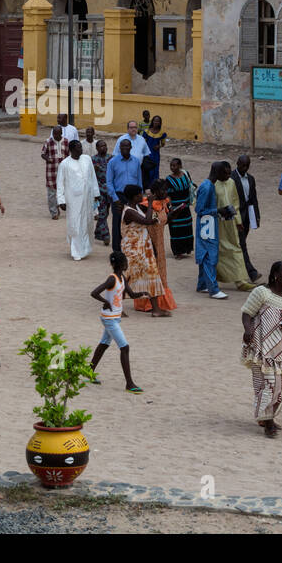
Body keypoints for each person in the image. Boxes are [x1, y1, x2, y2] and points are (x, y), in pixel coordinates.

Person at [241, 261, 282, 439]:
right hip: (260, 346)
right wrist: (247, 329)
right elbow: (247, 313)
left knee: (278, 385)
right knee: (266, 384)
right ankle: (268, 423)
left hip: (281, 349)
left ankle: (267, 418)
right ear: (276, 275)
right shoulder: (262, 292)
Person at [89, 252, 143, 393]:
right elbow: (94, 293)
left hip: (114, 317)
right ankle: (129, 383)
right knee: (124, 347)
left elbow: (131, 295)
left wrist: (143, 293)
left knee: (104, 344)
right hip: (109, 319)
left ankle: (88, 371)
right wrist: (105, 301)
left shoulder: (122, 278)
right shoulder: (112, 279)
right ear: (123, 264)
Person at [133, 179, 177, 315]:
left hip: (160, 244)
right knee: (151, 274)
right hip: (149, 244)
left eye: (166, 190)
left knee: (160, 273)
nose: (165, 192)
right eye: (162, 190)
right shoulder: (145, 206)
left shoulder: (164, 204)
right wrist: (151, 204)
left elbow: (162, 222)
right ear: (154, 191)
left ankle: (158, 303)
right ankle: (149, 304)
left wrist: (173, 215)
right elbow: (146, 223)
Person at [214, 162, 255, 291]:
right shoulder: (212, 185)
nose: (228, 175)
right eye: (225, 173)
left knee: (236, 248)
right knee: (219, 251)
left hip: (230, 223)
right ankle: (213, 278)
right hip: (217, 224)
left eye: (229, 173)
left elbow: (235, 202)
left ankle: (241, 280)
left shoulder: (231, 183)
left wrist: (238, 221)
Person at [56, 140, 98, 261]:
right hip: (73, 199)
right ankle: (76, 251)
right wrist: (61, 200)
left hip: (87, 198)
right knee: (75, 224)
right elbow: (60, 183)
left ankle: (85, 248)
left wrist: (96, 193)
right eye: (78, 148)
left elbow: (92, 177)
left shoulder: (87, 159)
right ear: (72, 150)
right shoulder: (64, 164)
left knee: (87, 222)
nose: (81, 149)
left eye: (81, 147)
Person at [195, 162, 229, 300]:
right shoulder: (207, 187)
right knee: (210, 256)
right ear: (217, 172)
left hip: (209, 224)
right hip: (206, 226)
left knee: (205, 255)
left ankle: (202, 284)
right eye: (225, 173)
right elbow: (199, 210)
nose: (227, 176)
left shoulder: (209, 185)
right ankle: (213, 289)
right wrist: (218, 211)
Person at [105, 138, 142, 253]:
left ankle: (130, 248)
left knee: (133, 223)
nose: (125, 148)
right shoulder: (112, 162)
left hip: (133, 197)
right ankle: (117, 251)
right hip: (119, 196)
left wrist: (139, 197)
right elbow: (109, 182)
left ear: (131, 148)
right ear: (119, 148)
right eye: (123, 146)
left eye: (127, 146)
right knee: (117, 223)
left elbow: (139, 180)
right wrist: (115, 199)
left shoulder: (136, 161)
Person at [231, 155, 261, 281]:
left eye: (247, 165)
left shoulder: (251, 179)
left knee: (238, 244)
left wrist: (257, 216)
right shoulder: (231, 178)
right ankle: (251, 272)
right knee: (241, 244)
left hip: (248, 216)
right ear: (237, 163)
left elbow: (254, 198)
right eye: (242, 165)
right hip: (236, 217)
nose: (245, 168)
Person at [166, 158, 196, 259]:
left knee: (186, 227)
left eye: (175, 165)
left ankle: (186, 248)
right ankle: (177, 252)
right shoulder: (168, 179)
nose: (172, 168)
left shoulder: (186, 174)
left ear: (180, 166)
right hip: (176, 208)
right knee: (176, 229)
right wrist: (170, 207)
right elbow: (168, 194)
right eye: (171, 166)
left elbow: (190, 186)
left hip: (185, 206)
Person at [41, 126, 65, 220]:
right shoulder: (48, 141)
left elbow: (68, 154)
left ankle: (59, 206)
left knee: (63, 190)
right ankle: (54, 212)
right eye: (54, 133)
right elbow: (43, 153)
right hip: (51, 171)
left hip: (63, 171)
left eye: (57, 133)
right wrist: (48, 159)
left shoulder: (66, 141)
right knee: (51, 192)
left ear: (61, 133)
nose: (55, 135)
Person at [91, 140, 112, 246]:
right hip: (99, 190)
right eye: (101, 146)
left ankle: (98, 232)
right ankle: (106, 235)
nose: (104, 147)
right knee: (102, 213)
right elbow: (90, 175)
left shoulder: (111, 158)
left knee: (106, 213)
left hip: (110, 189)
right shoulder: (93, 160)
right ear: (97, 148)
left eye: (105, 145)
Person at [141, 116, 166, 187]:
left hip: (156, 154)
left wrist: (159, 146)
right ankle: (147, 185)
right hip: (147, 153)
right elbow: (142, 143)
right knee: (148, 169)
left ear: (160, 123)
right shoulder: (147, 131)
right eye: (155, 121)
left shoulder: (162, 133)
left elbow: (163, 143)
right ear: (152, 121)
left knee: (155, 169)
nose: (156, 122)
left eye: (158, 121)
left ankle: (155, 185)